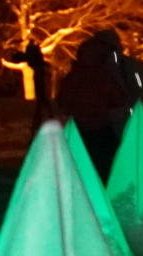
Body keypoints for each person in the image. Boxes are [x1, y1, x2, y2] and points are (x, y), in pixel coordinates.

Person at [53, 29, 136, 178]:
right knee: (106, 169)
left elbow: (62, 102)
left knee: (80, 170)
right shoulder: (103, 77)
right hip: (100, 130)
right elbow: (119, 99)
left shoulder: (72, 78)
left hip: (80, 130)